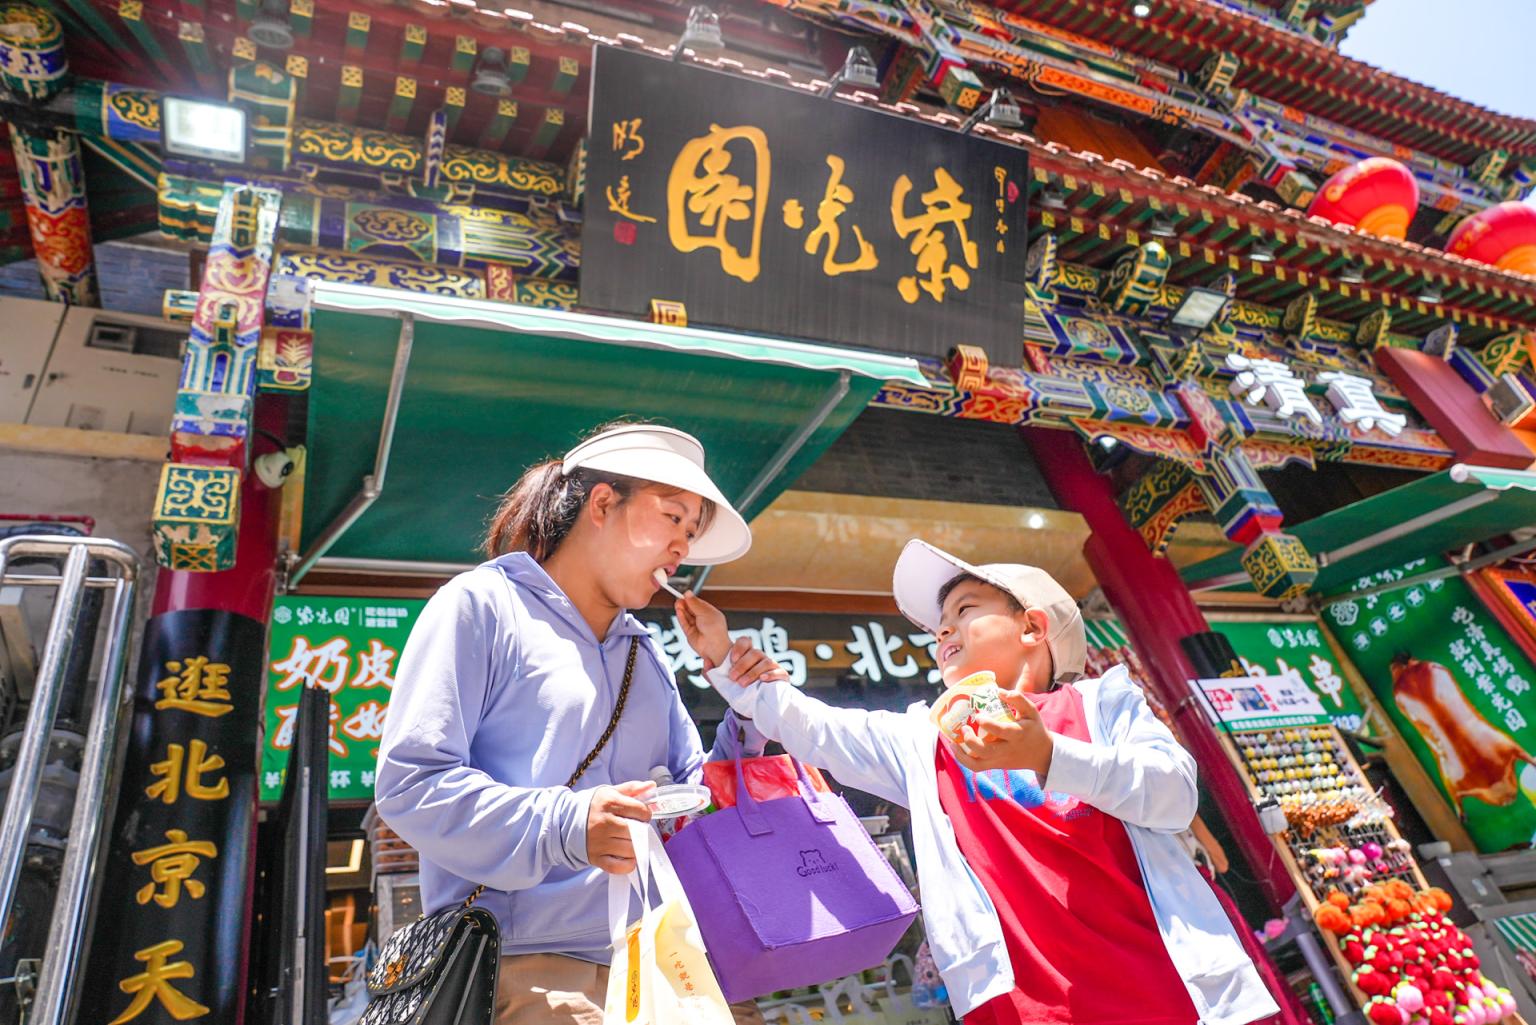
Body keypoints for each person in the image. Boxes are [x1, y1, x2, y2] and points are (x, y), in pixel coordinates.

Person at [677, 538, 1281, 1025]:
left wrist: (1047, 754)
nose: (942, 632)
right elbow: (816, 728)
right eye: (937, 626)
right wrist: (726, 658)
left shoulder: (1102, 703)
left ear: (1032, 628)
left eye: (964, 611)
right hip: (1021, 1003)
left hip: (1163, 980)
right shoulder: (926, 738)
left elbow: (1174, 794)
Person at [375, 422, 778, 1025]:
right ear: (603, 503)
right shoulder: (483, 606)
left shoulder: (646, 652)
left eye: (691, 533)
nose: (682, 547)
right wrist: (568, 823)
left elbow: (692, 802)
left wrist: (747, 710)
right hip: (531, 969)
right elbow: (412, 785)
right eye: (672, 518)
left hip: (668, 962)